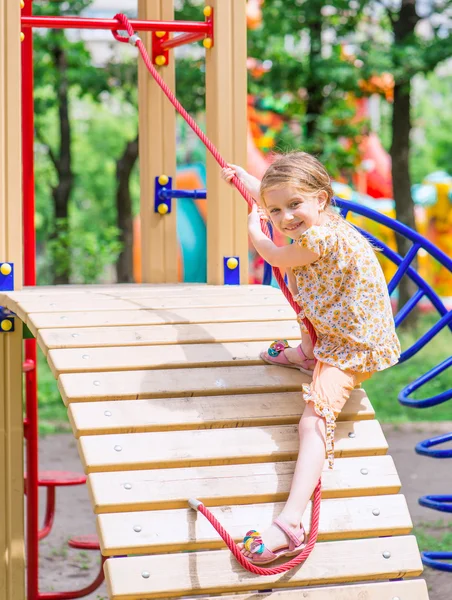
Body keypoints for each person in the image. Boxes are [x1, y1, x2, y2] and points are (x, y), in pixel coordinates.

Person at [221, 152, 401, 565]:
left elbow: (277, 258)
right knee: (308, 296)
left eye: (295, 205)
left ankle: (290, 524)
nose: (285, 217)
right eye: (276, 210)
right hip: (333, 323)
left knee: (312, 421)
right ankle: (306, 352)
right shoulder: (326, 222)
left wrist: (257, 233)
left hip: (351, 347)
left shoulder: (319, 240)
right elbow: (277, 199)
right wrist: (247, 180)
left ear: (321, 199)